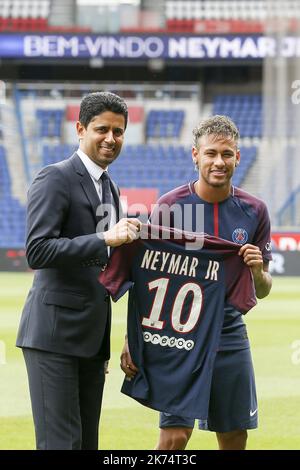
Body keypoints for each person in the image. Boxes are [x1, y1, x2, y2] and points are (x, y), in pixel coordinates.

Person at [120, 115, 272, 450]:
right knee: (174, 437)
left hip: (229, 331)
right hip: (178, 333)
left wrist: (258, 271)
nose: (219, 161)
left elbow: (262, 289)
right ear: (195, 155)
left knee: (234, 436)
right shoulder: (170, 207)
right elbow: (146, 280)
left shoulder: (255, 211)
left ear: (238, 157)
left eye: (227, 154)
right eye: (211, 153)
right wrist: (133, 339)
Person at [16, 91, 141, 450]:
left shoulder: (110, 188)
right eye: (102, 129)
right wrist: (105, 238)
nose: (110, 139)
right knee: (61, 444)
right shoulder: (53, 178)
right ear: (80, 129)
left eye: (118, 132)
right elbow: (37, 251)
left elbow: (106, 267)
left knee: (86, 444)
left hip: (89, 340)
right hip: (53, 337)